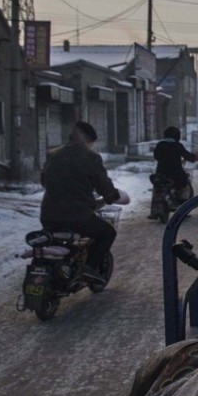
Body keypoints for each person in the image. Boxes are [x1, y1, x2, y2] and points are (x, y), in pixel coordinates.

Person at [40, 121, 130, 283]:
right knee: (107, 233)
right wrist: (113, 196)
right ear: (87, 140)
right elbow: (104, 186)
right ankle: (88, 268)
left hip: (48, 217)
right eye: (90, 144)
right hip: (78, 217)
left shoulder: (53, 155)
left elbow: (44, 182)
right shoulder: (90, 157)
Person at [153, 126, 197, 203]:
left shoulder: (160, 145)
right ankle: (183, 205)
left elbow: (156, 156)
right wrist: (194, 157)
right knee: (185, 186)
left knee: (157, 186)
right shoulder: (177, 145)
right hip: (176, 173)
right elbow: (187, 156)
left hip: (161, 173)